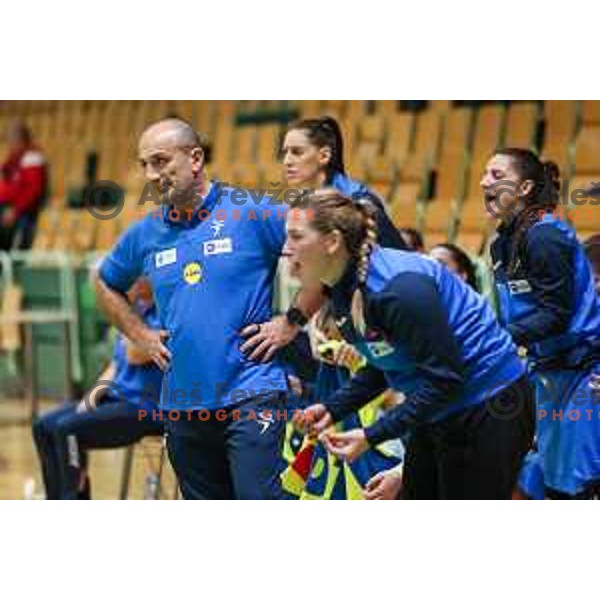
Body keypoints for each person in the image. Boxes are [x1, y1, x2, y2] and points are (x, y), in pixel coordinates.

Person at [94, 117, 322, 500]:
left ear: (195, 158)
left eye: (161, 161)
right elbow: (105, 281)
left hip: (252, 394)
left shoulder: (249, 211)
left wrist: (292, 320)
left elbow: (330, 241)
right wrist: (141, 335)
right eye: (145, 165)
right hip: (183, 406)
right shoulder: (145, 233)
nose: (152, 174)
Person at [286, 189, 533, 499]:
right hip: (437, 407)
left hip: (489, 404)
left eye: (296, 237)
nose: (286, 249)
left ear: (332, 242)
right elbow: (384, 363)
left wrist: (371, 435)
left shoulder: (399, 289)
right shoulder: (341, 290)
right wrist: (332, 408)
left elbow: (445, 380)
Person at [481, 147, 600, 499]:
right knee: (545, 480)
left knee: (575, 485)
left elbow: (555, 314)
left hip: (582, 372)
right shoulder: (502, 245)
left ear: (525, 188)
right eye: (485, 173)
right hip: (545, 370)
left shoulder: (544, 236)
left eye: (497, 176)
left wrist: (493, 338)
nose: (485, 182)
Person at [240, 116, 406, 361]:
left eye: (297, 152)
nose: (287, 161)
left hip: (388, 310)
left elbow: (329, 277)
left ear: (324, 156)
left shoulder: (352, 201)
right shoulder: (311, 200)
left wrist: (291, 322)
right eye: (284, 152)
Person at [31, 278, 164, 499]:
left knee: (67, 429)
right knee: (43, 427)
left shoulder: (162, 312)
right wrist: (90, 398)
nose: (130, 281)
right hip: (116, 399)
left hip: (145, 408)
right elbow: (115, 366)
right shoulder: (135, 311)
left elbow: (134, 355)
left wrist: (127, 313)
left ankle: (72, 499)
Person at [0, 120, 48, 250]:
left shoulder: (33, 157)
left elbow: (33, 190)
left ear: (21, 139)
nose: (9, 143)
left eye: (12, 139)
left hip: (22, 212)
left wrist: (15, 210)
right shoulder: (13, 158)